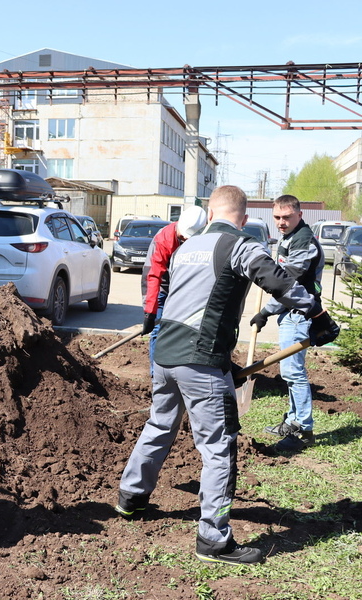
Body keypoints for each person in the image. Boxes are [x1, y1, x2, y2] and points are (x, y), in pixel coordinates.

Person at [115, 185, 339, 566]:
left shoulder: (187, 247)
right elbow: (281, 282)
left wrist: (223, 365)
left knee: (160, 425)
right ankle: (213, 540)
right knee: (219, 447)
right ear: (245, 217)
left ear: (210, 212)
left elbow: (193, 305)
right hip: (198, 359)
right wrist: (319, 317)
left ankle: (130, 497)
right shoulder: (239, 245)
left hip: (167, 354)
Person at [250, 195, 324, 452]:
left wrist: (266, 311)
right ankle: (293, 421)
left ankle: (303, 430)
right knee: (289, 373)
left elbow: (288, 284)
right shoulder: (289, 236)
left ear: (299, 215)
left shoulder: (303, 241)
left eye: (287, 217)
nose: (281, 222)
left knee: (294, 373)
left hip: (300, 313)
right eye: (277, 218)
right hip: (290, 311)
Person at [141, 206, 207, 373]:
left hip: (186, 287)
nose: (185, 240)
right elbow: (153, 277)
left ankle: (185, 369)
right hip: (162, 287)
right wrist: (150, 312)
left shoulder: (204, 236)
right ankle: (156, 374)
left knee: (187, 328)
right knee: (158, 329)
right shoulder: (163, 239)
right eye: (182, 238)